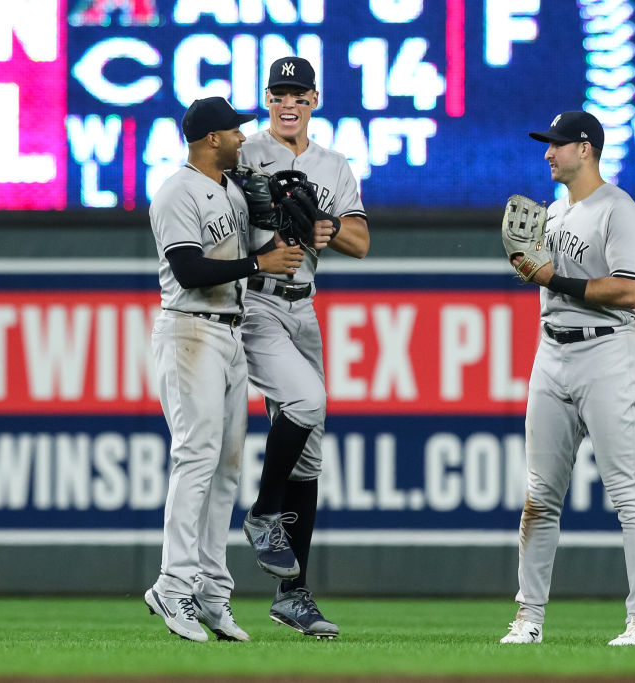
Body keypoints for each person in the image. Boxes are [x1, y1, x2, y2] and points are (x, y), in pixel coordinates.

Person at [499, 111, 635, 646]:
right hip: (552, 351)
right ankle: (528, 620)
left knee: (628, 494)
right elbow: (547, 278)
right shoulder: (551, 212)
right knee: (539, 496)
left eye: (558, 145)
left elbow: (628, 290)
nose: (548, 153)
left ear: (586, 148)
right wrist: (533, 271)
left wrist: (551, 276)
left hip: (607, 352)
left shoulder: (619, 210)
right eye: (547, 144)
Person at [144, 96, 304, 643]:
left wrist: (290, 226)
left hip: (231, 330)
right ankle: (172, 586)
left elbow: (263, 241)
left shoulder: (234, 188)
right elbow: (188, 269)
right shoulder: (175, 191)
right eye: (234, 130)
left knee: (227, 469)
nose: (242, 137)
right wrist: (260, 262)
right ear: (211, 139)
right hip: (190, 329)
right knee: (196, 456)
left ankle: (212, 592)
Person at [237, 56, 370, 639]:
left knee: (310, 455)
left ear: (314, 99)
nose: (288, 102)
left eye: (298, 92)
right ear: (268, 100)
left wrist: (326, 230)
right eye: (278, 93)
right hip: (256, 299)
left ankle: (293, 594)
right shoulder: (244, 154)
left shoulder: (333, 164)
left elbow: (361, 242)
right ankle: (264, 512)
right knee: (308, 403)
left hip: (303, 303)